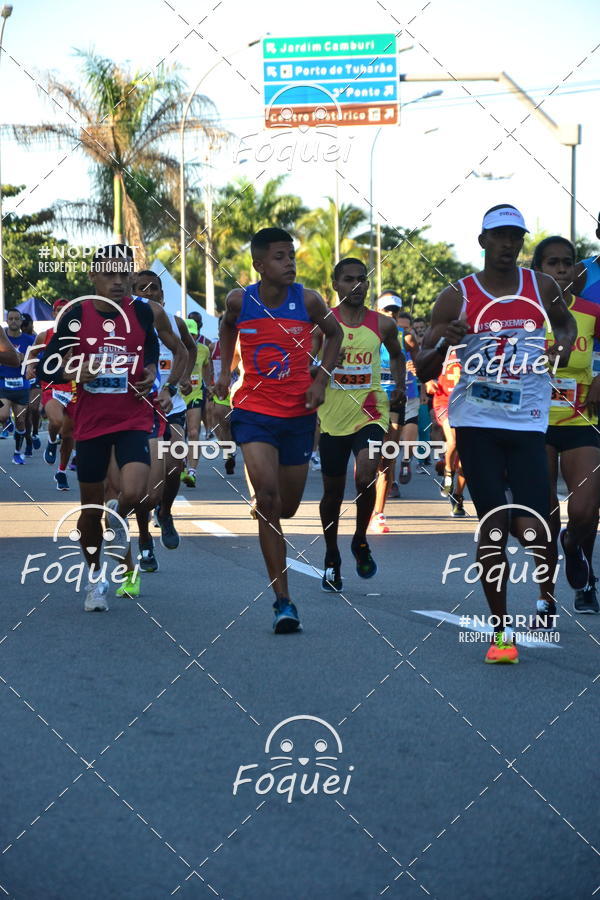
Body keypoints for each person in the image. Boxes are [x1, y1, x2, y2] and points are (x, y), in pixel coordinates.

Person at [417, 204, 576, 664]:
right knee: (494, 524)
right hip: (476, 422)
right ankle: (501, 632)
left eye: (516, 236)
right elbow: (423, 363)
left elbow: (563, 323)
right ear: (482, 241)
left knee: (535, 525)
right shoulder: (457, 296)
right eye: (500, 236)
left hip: (528, 420)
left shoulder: (540, 286)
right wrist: (447, 337)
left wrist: (560, 346)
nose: (508, 244)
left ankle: (543, 593)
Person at [216, 227, 343, 633]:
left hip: (298, 416)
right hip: (253, 411)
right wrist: (224, 372)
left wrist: (320, 379)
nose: (289, 262)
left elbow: (335, 334)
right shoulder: (240, 301)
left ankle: (267, 503)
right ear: (258, 264)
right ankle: (283, 601)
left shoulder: (307, 300)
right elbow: (226, 326)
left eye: (291, 255)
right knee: (269, 502)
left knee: (286, 507)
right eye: (279, 256)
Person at [39, 245, 165, 610]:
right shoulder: (75, 315)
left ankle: (118, 518)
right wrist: (73, 371)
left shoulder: (141, 312)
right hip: (91, 422)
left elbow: (151, 350)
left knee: (136, 489)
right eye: (110, 274)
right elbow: (48, 366)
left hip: (133, 417)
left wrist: (153, 372)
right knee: (89, 511)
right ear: (93, 277)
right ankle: (96, 579)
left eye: (125, 274)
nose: (119, 282)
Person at [315, 258, 405, 591]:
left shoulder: (383, 325)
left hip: (370, 409)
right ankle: (331, 556)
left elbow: (397, 355)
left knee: (367, 473)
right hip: (332, 415)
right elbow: (306, 365)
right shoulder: (323, 323)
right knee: (332, 494)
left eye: (362, 279)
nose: (357, 285)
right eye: (348, 280)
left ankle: (360, 539)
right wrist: (323, 364)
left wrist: (397, 384)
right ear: (336, 285)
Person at [534, 236, 600, 614]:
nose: (561, 269)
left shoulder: (591, 311)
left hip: (581, 420)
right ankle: (546, 594)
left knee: (585, 511)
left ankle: (576, 551)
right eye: (552, 263)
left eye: (567, 263)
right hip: (535, 423)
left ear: (578, 271)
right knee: (544, 512)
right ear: (538, 270)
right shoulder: (526, 314)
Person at [131, 269, 191, 564]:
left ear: (162, 295)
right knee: (147, 490)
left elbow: (187, 351)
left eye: (153, 288)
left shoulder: (176, 324)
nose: (148, 292)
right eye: (141, 288)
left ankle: (165, 513)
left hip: (172, 407)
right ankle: (143, 537)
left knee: (176, 464)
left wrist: (179, 381)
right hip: (138, 412)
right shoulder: (128, 326)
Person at [371, 295, 418, 531]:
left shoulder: (405, 337)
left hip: (394, 398)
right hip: (367, 399)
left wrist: (414, 369)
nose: (390, 315)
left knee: (387, 457)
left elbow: (419, 361)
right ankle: (367, 498)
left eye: (394, 311)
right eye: (386, 310)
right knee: (369, 458)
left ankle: (379, 513)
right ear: (376, 310)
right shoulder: (365, 332)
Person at [26, 298, 75, 489]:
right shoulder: (45, 335)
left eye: (66, 310)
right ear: (54, 314)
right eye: (59, 310)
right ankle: (52, 440)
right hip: (52, 385)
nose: (62, 313)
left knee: (69, 433)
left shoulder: (80, 335)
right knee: (56, 421)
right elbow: (31, 355)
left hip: (73, 387)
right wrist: (30, 366)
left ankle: (61, 472)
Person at [428, 348, 467, 516]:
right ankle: (448, 473)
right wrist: (428, 381)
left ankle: (457, 497)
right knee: (454, 439)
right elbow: (425, 367)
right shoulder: (443, 346)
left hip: (468, 403)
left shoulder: (477, 346)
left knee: (466, 460)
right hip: (444, 402)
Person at [0, 309, 35, 464]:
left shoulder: (29, 339)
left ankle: (17, 452)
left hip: (22, 385)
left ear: (21, 321)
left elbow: (37, 359)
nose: (13, 321)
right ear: (7, 321)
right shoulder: (2, 338)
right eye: (11, 318)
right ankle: (7, 423)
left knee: (21, 422)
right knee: (2, 415)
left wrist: (26, 360)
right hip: (3, 382)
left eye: (16, 319)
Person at [181, 317, 212, 487]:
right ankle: (181, 463)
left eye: (193, 334)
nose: (190, 338)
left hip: (195, 395)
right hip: (176, 397)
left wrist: (207, 385)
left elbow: (207, 367)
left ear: (197, 334)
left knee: (193, 432)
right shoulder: (174, 349)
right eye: (187, 334)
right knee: (179, 436)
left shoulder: (203, 350)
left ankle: (192, 472)